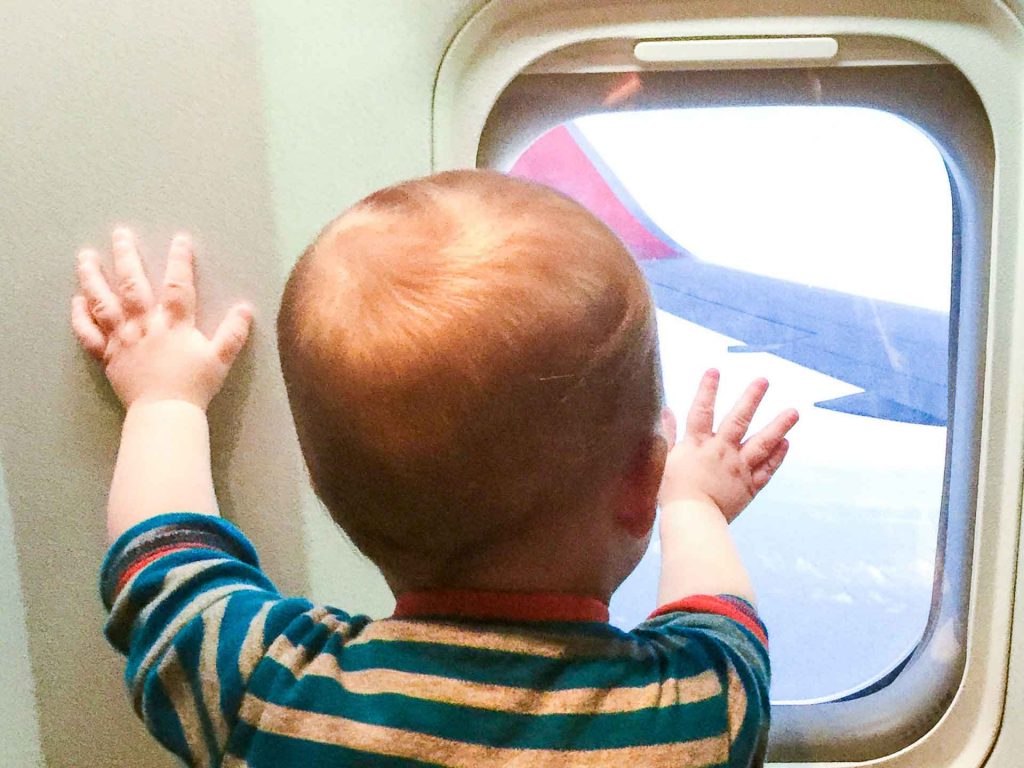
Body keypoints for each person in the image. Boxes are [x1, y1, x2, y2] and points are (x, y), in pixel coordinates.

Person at [71, 170, 798, 767]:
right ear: (642, 485)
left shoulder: (271, 685)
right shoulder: (694, 717)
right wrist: (694, 504)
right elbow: (720, 615)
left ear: (324, 488)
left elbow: (164, 567)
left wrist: (164, 398)